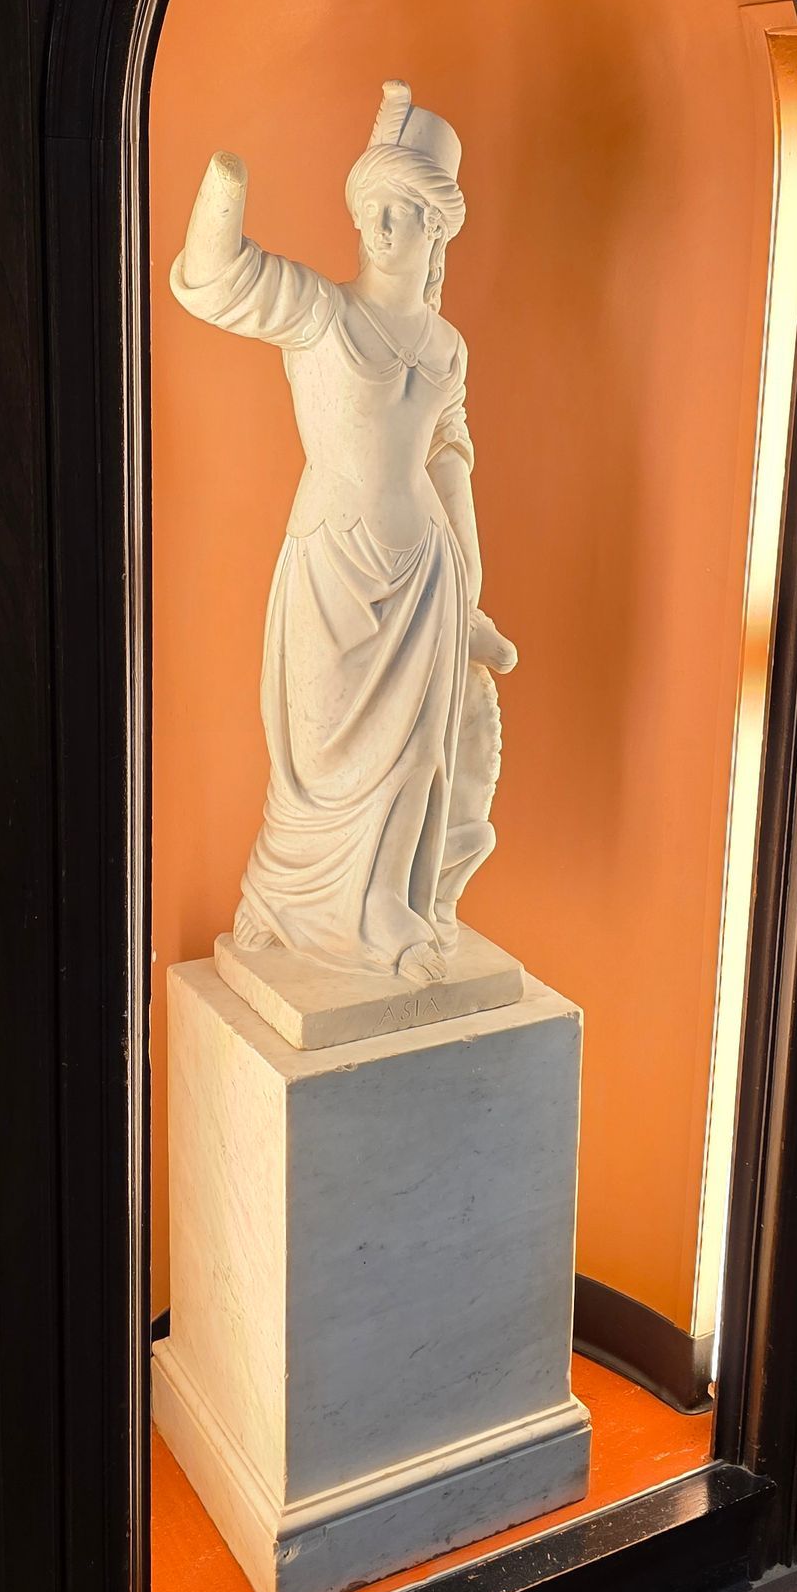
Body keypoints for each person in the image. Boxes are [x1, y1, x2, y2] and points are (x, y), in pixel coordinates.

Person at [172, 80, 517, 984]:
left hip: (427, 576)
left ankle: (389, 913)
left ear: (437, 227)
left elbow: (451, 461)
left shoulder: (447, 348)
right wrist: (224, 187)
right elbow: (216, 280)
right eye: (371, 209)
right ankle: (283, 902)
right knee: (319, 766)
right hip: (333, 567)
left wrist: (471, 589)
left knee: (414, 760)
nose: (381, 228)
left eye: (401, 211)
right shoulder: (321, 313)